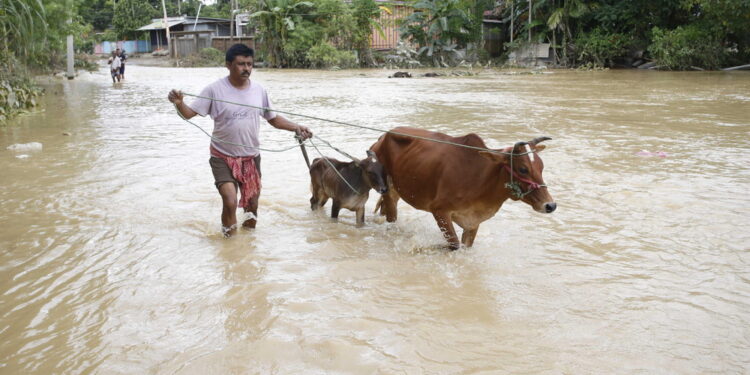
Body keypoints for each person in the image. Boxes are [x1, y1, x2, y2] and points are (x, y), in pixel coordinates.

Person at [167, 43, 313, 237]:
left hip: (251, 157)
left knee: (252, 206)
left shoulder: (259, 90)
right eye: (241, 64)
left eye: (250, 64)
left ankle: (248, 244)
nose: (246, 69)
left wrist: (296, 126)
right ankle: (230, 242)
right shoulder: (214, 90)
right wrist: (179, 103)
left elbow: (273, 119)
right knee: (229, 200)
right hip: (222, 156)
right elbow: (188, 114)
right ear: (228, 65)